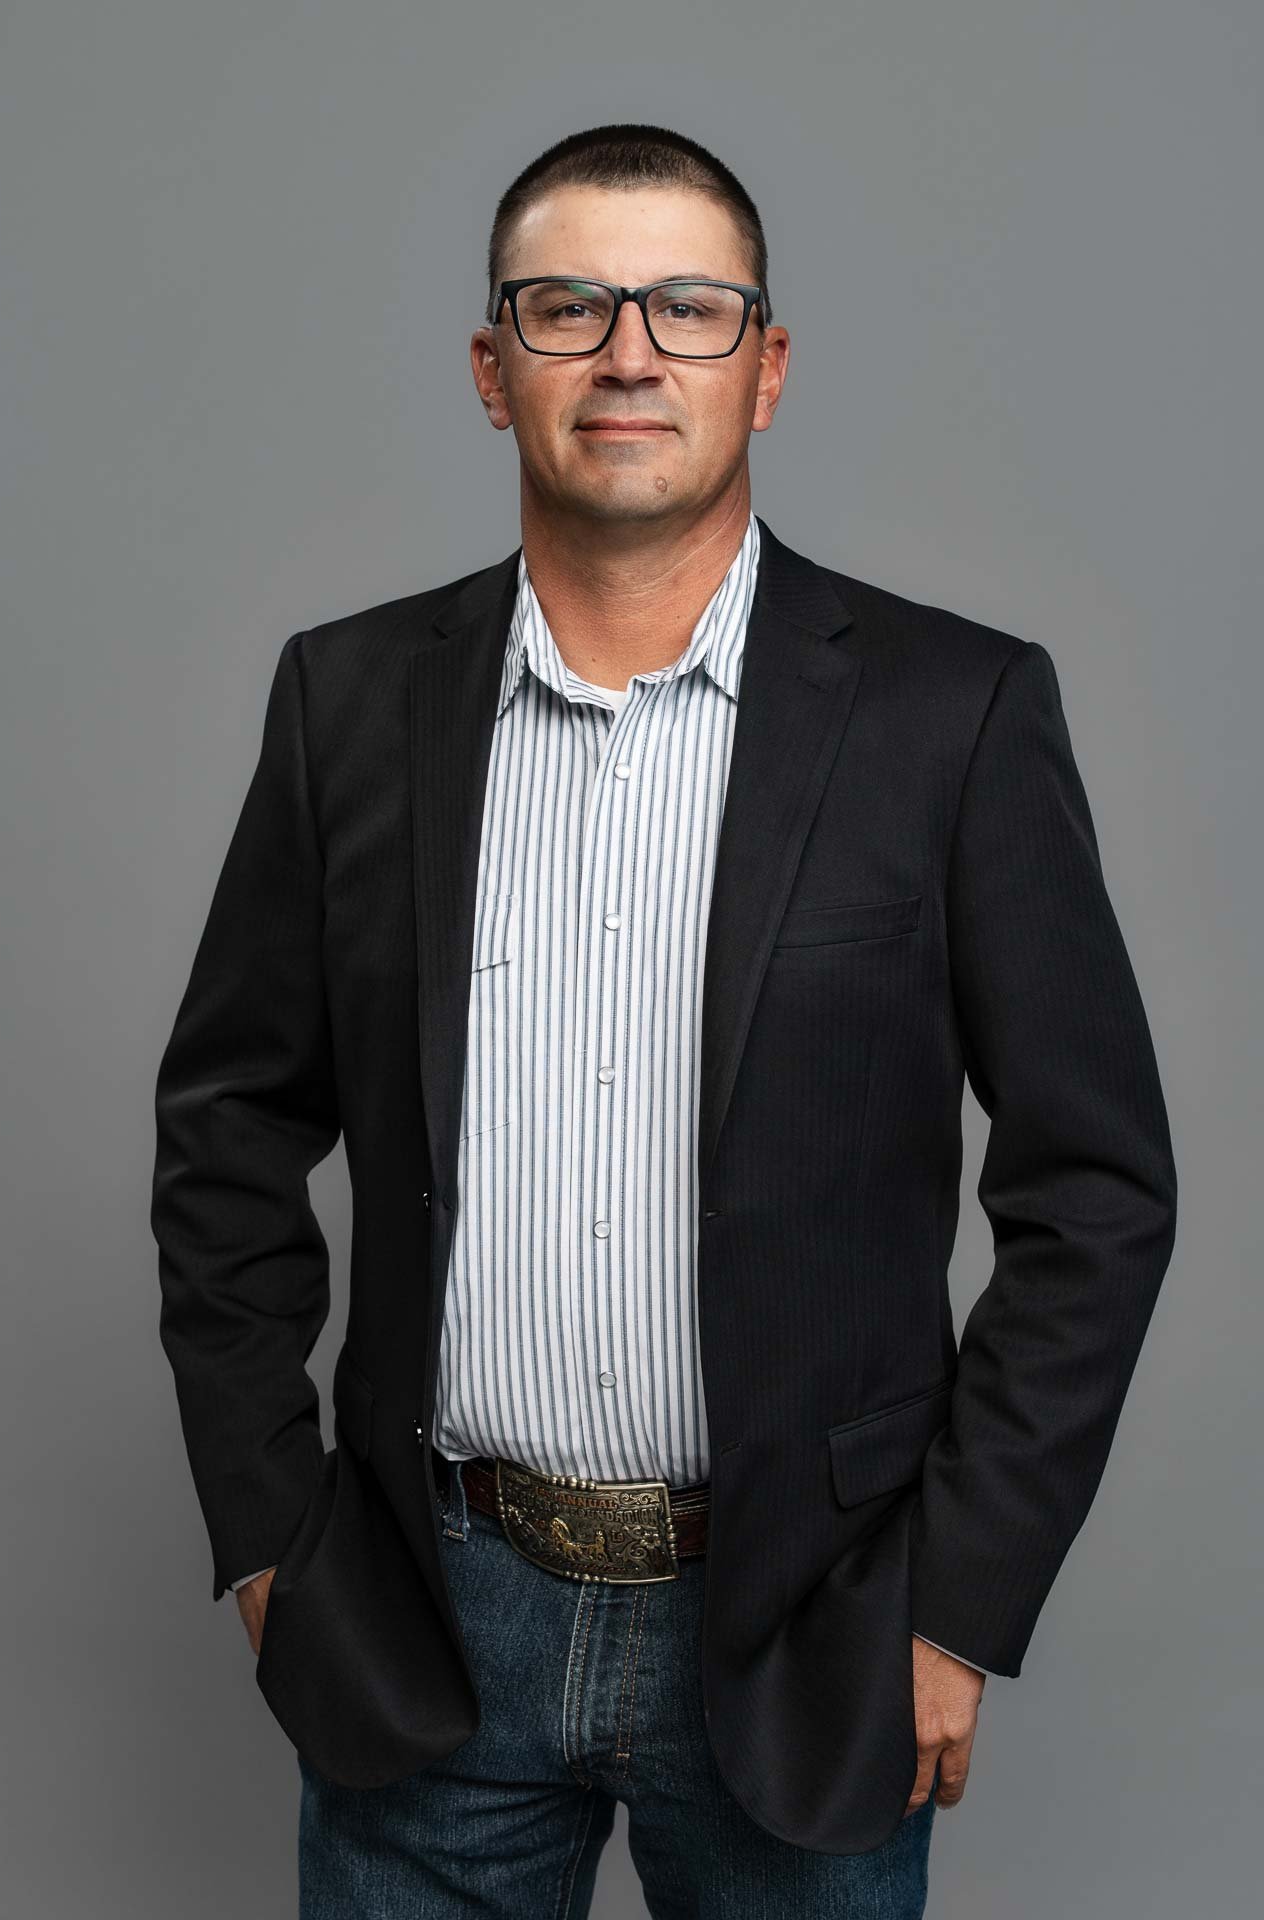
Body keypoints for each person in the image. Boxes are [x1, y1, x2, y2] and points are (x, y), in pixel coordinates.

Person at [151, 123, 1178, 1918]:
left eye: (689, 308)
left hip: (813, 1621)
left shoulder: (953, 714)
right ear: (494, 370)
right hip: (426, 1615)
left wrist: (962, 1599)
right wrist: (267, 1542)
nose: (629, 352)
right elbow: (226, 1128)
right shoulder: (349, 701)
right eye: (568, 307)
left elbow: (1097, 1189)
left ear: (764, 367)